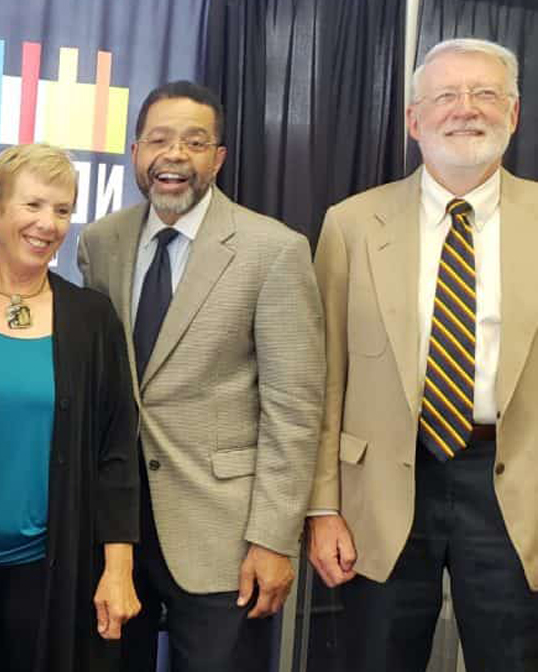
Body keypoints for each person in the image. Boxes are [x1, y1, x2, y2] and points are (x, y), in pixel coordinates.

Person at [306, 38, 538, 671]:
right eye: (446, 96)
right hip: (381, 489)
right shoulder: (351, 224)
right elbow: (325, 380)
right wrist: (321, 507)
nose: (466, 110)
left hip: (515, 490)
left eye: (485, 94)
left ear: (513, 115)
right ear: (414, 120)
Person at [78, 81, 325, 672]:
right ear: (136, 152)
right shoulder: (100, 242)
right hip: (114, 535)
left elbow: (294, 409)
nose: (174, 156)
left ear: (218, 158)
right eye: (159, 140)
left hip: (224, 537)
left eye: (194, 142)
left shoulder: (274, 250)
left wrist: (272, 538)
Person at [0, 143, 141, 672]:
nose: (48, 224)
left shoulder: (92, 319)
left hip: (53, 577)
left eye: (62, 210)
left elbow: (116, 450)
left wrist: (118, 567)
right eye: (33, 205)